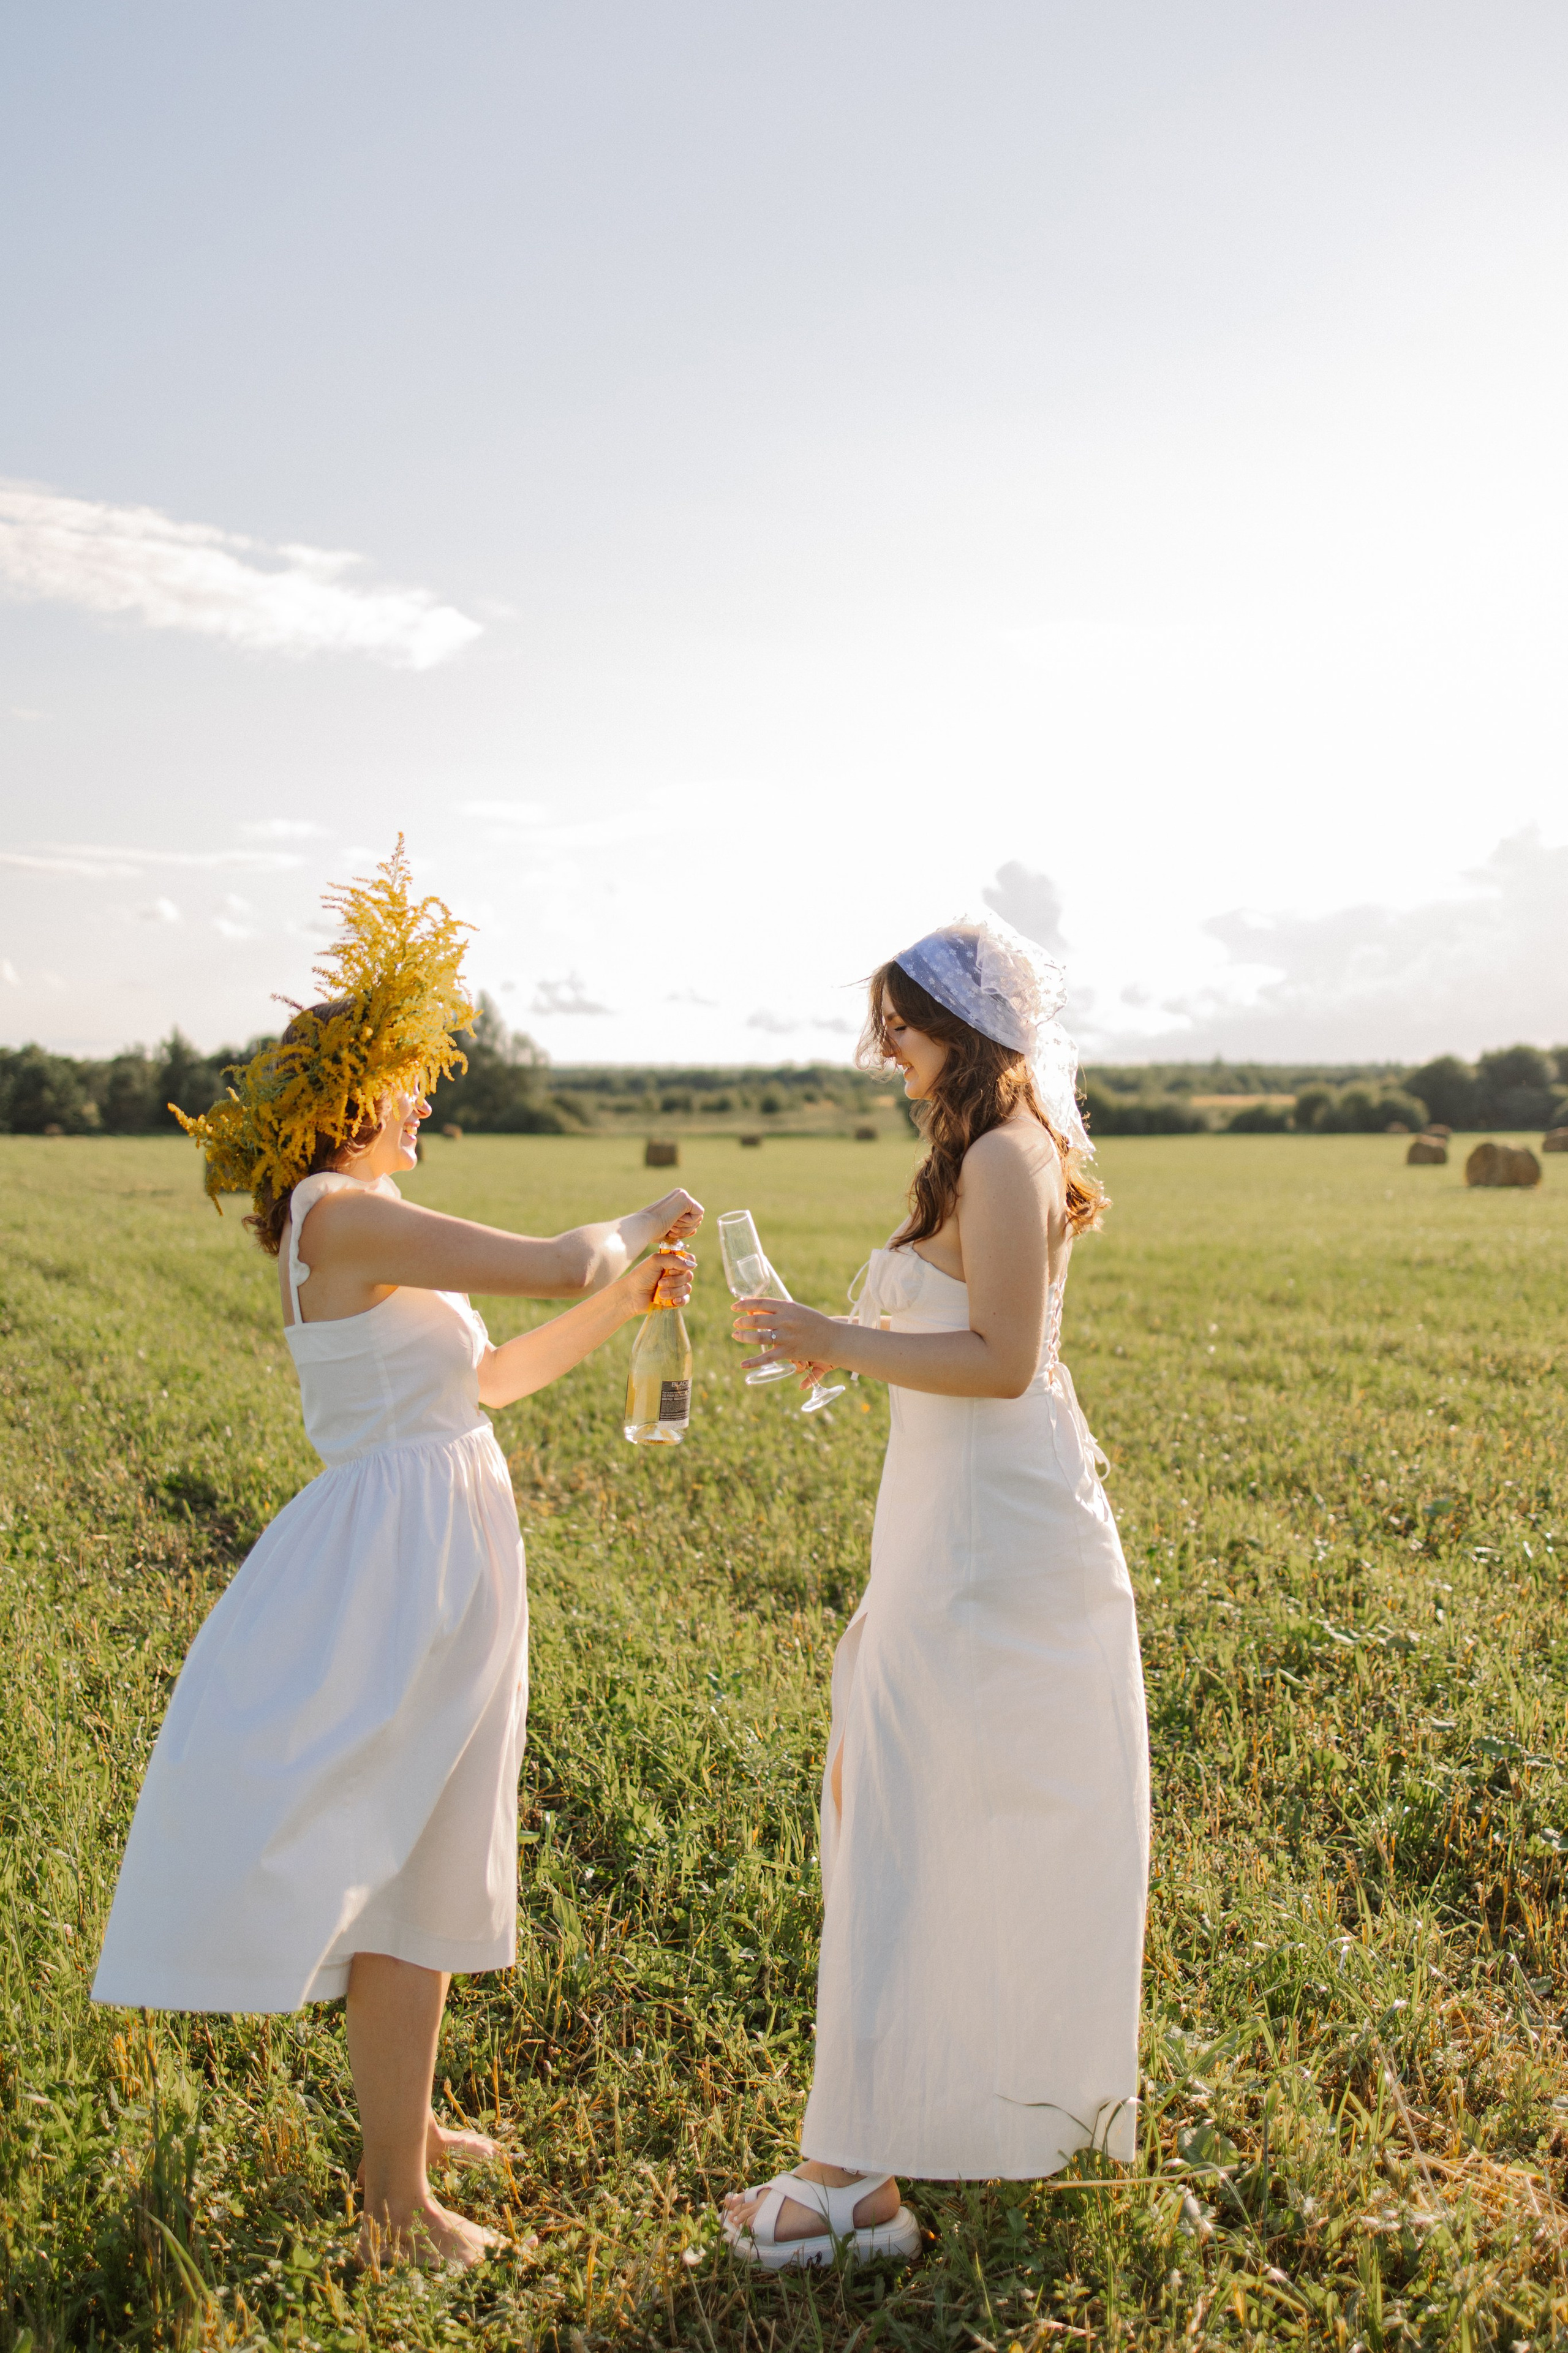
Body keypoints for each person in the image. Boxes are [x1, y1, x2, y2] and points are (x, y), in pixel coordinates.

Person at [92, 844, 700, 2269]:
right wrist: (639, 1228)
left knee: (433, 1836)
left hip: (446, 1526)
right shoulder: (339, 1213)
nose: (431, 1094)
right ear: (355, 1094)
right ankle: (393, 2204)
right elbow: (559, 1256)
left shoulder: (375, 1231)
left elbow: (480, 1386)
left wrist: (621, 1319)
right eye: (413, 1075)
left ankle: (402, 2132)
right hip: (393, 1557)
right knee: (404, 1837)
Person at [722, 912, 1148, 2270]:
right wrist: (831, 1351)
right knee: (888, 1807)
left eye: (897, 1024)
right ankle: (865, 2158)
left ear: (958, 1030)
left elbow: (1006, 1359)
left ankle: (845, 2178)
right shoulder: (977, 1156)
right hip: (943, 1523)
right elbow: (947, 1334)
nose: (880, 1048)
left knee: (900, 1814)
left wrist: (830, 1334)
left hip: (987, 1544)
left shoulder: (1009, 1155)